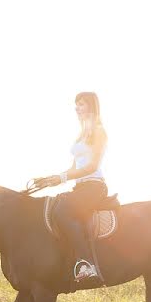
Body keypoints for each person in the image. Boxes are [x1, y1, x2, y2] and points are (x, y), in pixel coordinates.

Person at [36, 92, 108, 283]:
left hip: (94, 186)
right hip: (81, 186)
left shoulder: (99, 132)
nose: (77, 108)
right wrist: (51, 179)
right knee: (54, 208)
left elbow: (92, 167)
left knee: (63, 212)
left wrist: (62, 177)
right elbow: (74, 168)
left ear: (91, 106)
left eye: (81, 104)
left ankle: (87, 264)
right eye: (76, 104)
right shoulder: (81, 135)